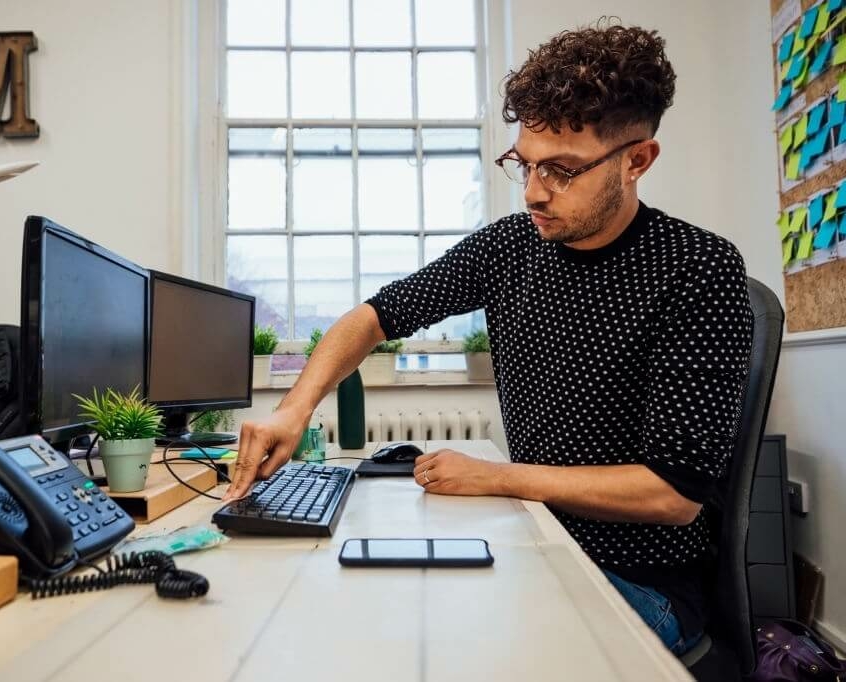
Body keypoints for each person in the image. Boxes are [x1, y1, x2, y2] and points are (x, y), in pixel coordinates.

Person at [222, 21, 753, 656]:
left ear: (637, 159)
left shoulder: (698, 268)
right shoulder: (510, 246)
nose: (533, 192)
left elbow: (672, 496)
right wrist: (293, 407)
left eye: (561, 170)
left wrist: (499, 477)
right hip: (530, 533)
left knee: (444, 645)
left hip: (641, 582)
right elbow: (372, 318)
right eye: (524, 164)